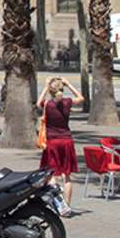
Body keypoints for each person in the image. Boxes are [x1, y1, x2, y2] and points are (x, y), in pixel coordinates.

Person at [38, 76, 81, 215]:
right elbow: (81, 98)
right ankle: (67, 206)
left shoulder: (48, 105)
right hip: (66, 140)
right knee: (66, 175)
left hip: (52, 141)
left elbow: (38, 103)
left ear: (51, 91)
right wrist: (69, 84)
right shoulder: (67, 102)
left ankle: (58, 204)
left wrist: (45, 86)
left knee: (52, 174)